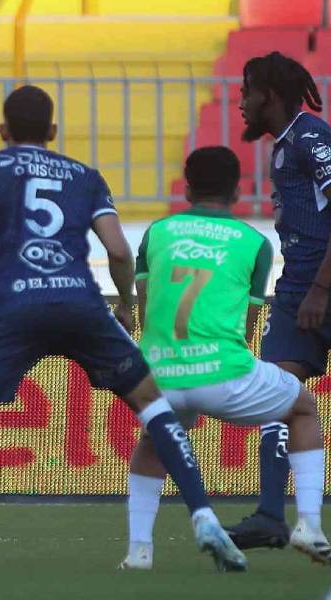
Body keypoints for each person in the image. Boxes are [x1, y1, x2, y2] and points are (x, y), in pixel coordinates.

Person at [0, 85, 246, 573]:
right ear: (53, 131)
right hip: (82, 305)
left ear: (3, 131)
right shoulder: (85, 176)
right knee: (154, 405)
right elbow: (118, 250)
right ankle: (204, 517)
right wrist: (125, 304)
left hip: (15, 308)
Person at [122, 146, 329, 569]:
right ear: (237, 191)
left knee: (152, 443)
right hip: (223, 376)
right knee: (303, 408)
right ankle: (309, 523)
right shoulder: (255, 243)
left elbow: (146, 309)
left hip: (159, 375)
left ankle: (139, 550)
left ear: (186, 187)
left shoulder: (157, 232)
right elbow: (247, 328)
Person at [226, 51, 331, 549]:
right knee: (276, 393)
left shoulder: (311, 139)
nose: (240, 102)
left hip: (319, 288)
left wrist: (321, 290)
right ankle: (271, 515)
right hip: (296, 291)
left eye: (246, 92)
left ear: (268, 95)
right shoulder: (287, 144)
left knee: (279, 393)